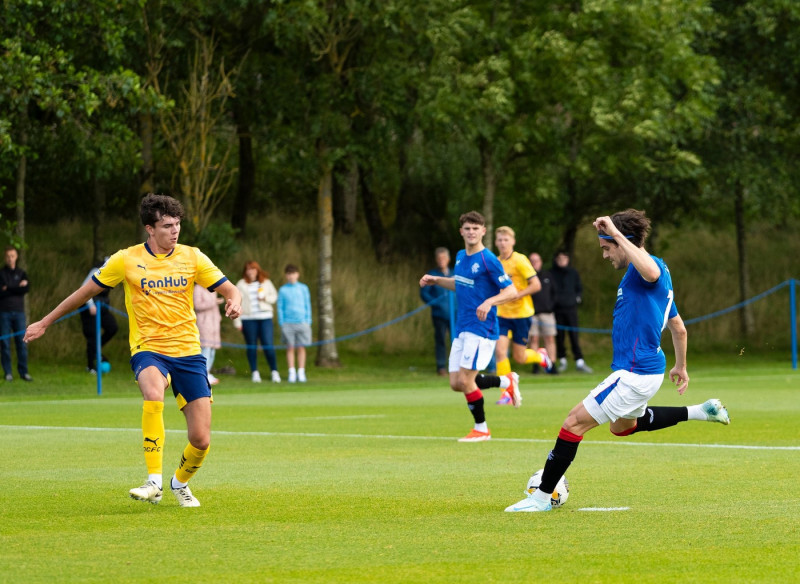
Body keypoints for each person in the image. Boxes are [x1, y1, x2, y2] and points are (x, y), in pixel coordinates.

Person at [24, 193, 242, 508]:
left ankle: (179, 484)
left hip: (189, 352)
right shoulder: (125, 260)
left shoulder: (192, 257)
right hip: (148, 349)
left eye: (178, 224)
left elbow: (229, 288)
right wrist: (45, 322)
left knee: (201, 439)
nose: (175, 231)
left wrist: (235, 300)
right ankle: (153, 480)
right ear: (149, 229)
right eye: (167, 225)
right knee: (153, 392)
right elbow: (83, 292)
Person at [505, 209, 730, 512]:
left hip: (635, 373)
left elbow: (650, 272)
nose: (604, 255)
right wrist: (681, 366)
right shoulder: (648, 279)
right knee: (623, 427)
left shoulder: (650, 271)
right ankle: (701, 411)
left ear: (623, 243)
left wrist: (615, 231)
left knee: (573, 423)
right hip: (647, 373)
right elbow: (679, 327)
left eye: (606, 247)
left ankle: (541, 497)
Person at [419, 211, 518, 442]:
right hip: (462, 327)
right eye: (467, 228)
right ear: (461, 231)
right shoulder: (461, 256)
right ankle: (505, 381)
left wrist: (489, 301)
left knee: (465, 380)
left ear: (483, 231)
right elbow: (460, 284)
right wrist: (437, 281)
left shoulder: (488, 259)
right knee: (456, 383)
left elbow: (511, 291)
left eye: (476, 228)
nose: (471, 232)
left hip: (482, 328)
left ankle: (482, 429)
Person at [493, 227, 553, 406]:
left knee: (519, 357)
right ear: (496, 242)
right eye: (500, 240)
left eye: (506, 240)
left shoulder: (520, 260)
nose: (503, 243)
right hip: (502, 314)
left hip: (522, 315)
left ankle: (540, 356)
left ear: (513, 241)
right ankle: (506, 392)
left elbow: (536, 285)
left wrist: (516, 295)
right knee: (500, 351)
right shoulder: (495, 262)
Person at [234, 261, 280, 383]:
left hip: (265, 317)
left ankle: (274, 371)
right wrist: (237, 322)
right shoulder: (241, 284)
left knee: (268, 344)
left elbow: (274, 296)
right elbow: (236, 302)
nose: (251, 271)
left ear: (257, 270)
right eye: (248, 269)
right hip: (248, 319)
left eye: (253, 269)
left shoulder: (265, 281)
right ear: (245, 271)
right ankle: (255, 372)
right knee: (251, 346)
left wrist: (265, 298)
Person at [552, 250, 592, 373]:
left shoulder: (573, 273)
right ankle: (562, 360)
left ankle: (579, 361)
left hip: (571, 309)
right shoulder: (551, 273)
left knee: (574, 335)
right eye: (559, 258)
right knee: (559, 336)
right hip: (557, 310)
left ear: (568, 259)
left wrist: (577, 299)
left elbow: (579, 288)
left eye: (564, 258)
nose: (562, 260)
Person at [419, 247, 455, 376]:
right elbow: (424, 293)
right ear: (436, 260)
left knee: (456, 340)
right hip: (439, 314)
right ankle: (441, 367)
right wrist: (437, 303)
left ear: (448, 259)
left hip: (455, 314)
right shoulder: (432, 275)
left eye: (444, 258)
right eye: (439, 258)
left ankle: (456, 367)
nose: (441, 261)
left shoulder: (454, 273)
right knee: (440, 339)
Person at [79, 259, 119, 374]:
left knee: (112, 327)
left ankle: (97, 351)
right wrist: (90, 305)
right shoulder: (96, 270)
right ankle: (90, 366)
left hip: (102, 307)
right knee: (92, 336)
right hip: (89, 307)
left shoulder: (113, 272)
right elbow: (84, 288)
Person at [0, 246, 32, 382]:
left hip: (19, 313)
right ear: (5, 257)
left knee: (22, 342)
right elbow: (1, 292)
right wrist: (17, 287)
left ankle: (23, 372)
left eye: (12, 256)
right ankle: (8, 373)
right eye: (8, 256)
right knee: (5, 344)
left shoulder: (22, 273)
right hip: (4, 313)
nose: (10, 258)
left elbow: (26, 288)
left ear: (16, 257)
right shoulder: (1, 274)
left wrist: (9, 288)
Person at [277, 264, 312, 383]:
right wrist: (282, 322)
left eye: (293, 273)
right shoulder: (283, 289)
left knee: (301, 347)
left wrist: (308, 320)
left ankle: (301, 372)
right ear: (286, 275)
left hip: (302, 322)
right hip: (287, 323)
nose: (291, 276)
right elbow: (280, 307)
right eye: (289, 274)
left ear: (297, 274)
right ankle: (291, 372)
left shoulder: (303, 288)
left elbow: (307, 305)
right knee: (290, 347)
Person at [527, 252, 557, 375]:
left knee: (549, 338)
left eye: (537, 260)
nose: (535, 263)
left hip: (547, 313)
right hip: (531, 313)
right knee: (533, 338)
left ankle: (552, 365)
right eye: (532, 261)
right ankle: (535, 365)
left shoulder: (547, 276)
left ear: (541, 262)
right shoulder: (526, 277)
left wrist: (550, 306)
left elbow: (555, 293)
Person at [194, 283, 223, 385]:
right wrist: (213, 302)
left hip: (214, 323)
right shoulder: (198, 288)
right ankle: (203, 373)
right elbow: (197, 305)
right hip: (204, 323)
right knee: (205, 349)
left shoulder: (212, 289)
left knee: (212, 350)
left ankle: (208, 372)